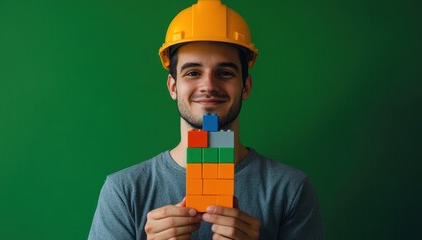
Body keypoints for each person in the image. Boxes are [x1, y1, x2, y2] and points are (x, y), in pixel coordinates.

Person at [88, 0, 324, 239]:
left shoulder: (291, 188)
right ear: (173, 87)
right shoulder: (124, 191)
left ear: (245, 87)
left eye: (224, 73)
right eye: (193, 73)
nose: (209, 86)